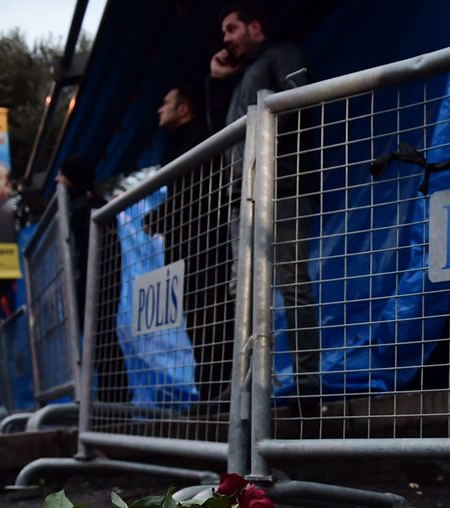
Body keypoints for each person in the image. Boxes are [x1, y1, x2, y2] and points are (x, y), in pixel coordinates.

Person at [208, 1, 319, 396]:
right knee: (246, 292)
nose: (225, 38)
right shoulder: (241, 78)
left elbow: (299, 96)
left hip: (283, 185)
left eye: (231, 28)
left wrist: (261, 149)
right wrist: (218, 81)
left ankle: (307, 381)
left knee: (291, 284)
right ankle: (247, 383)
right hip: (244, 196)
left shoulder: (280, 53)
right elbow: (218, 131)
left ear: (255, 26)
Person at [148, 85, 232, 405]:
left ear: (183, 109)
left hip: (206, 249)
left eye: (165, 103)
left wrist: (163, 218)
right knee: (199, 322)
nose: (159, 109)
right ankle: (210, 394)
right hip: (189, 250)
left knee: (211, 319)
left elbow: (196, 195)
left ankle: (217, 394)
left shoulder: (197, 141)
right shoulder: (177, 145)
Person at [57, 156, 128, 405]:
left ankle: (115, 397)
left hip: (98, 282)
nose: (57, 181)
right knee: (99, 337)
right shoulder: (83, 204)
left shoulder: (87, 206)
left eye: (62, 174)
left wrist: (89, 282)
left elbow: (95, 251)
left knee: (102, 335)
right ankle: (111, 396)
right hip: (96, 281)